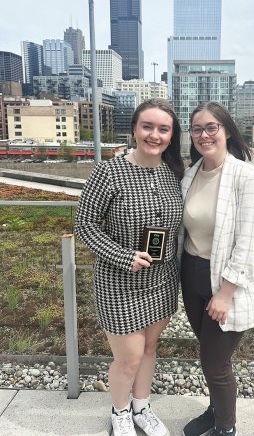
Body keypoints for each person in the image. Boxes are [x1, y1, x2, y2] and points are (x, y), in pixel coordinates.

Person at [75, 99, 184, 436]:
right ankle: (120, 412)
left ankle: (141, 407)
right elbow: (85, 225)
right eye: (147, 126)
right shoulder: (109, 171)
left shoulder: (172, 173)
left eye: (163, 129)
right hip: (118, 283)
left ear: (171, 136)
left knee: (150, 348)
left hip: (162, 281)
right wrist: (124, 256)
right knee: (129, 358)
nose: (155, 135)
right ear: (135, 129)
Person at [179, 101, 254, 436]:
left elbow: (249, 240)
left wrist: (227, 292)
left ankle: (226, 428)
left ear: (226, 130)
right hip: (191, 273)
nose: (204, 135)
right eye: (197, 128)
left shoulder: (247, 177)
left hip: (225, 282)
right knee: (207, 353)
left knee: (216, 363)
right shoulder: (191, 173)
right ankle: (216, 409)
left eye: (211, 127)